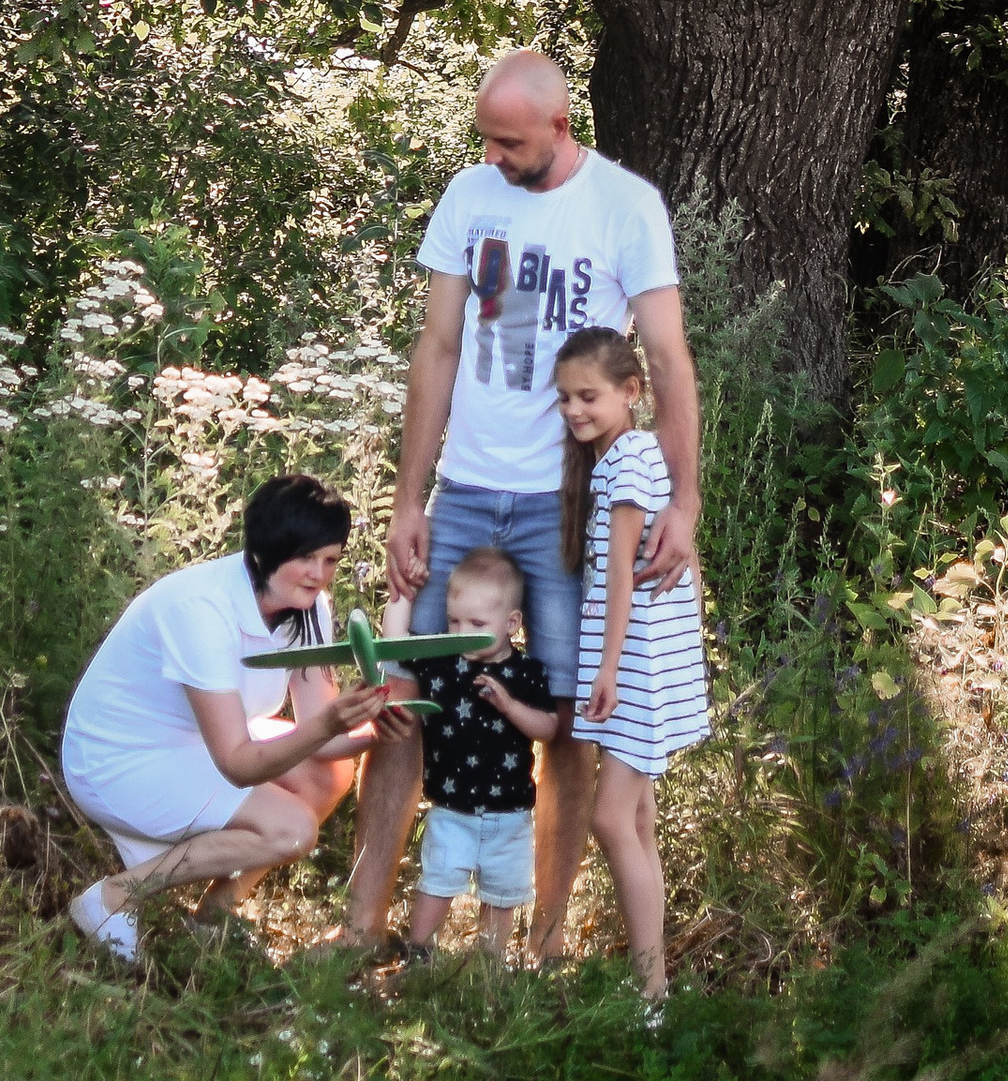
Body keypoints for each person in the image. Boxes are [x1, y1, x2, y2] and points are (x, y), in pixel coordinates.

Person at [346, 48, 700, 959]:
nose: (495, 158)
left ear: (559, 126)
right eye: (486, 142)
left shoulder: (627, 206)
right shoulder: (469, 197)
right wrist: (408, 500)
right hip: (464, 489)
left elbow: (666, 359)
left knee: (574, 714)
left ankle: (539, 942)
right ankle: (362, 931)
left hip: (565, 508)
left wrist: (683, 501)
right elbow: (436, 347)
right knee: (404, 691)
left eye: (511, 143)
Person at [59, 472, 408, 963]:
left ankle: (212, 920)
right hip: (118, 761)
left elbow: (323, 740)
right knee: (290, 831)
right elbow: (239, 763)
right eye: (304, 557)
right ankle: (115, 896)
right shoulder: (201, 608)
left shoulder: (308, 608)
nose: (318, 573)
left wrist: (371, 729)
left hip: (194, 744)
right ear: (266, 551)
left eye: (329, 559)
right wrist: (332, 723)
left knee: (330, 774)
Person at [558, 325, 713, 1009]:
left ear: (632, 392)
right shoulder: (646, 459)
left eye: (588, 396)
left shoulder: (625, 464)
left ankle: (651, 990)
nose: (574, 411)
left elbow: (619, 576)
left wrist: (608, 670)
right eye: (564, 400)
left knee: (612, 821)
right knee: (637, 820)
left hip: (634, 668)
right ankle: (654, 985)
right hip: (654, 661)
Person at [397, 547, 560, 967]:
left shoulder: (526, 674)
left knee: (502, 893)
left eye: (476, 624)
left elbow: (548, 729)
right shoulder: (444, 664)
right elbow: (395, 647)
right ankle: (419, 955)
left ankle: (487, 966)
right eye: (454, 621)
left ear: (511, 624)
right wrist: (404, 591)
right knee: (437, 882)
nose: (462, 631)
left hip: (510, 813)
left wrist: (509, 706)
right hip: (451, 809)